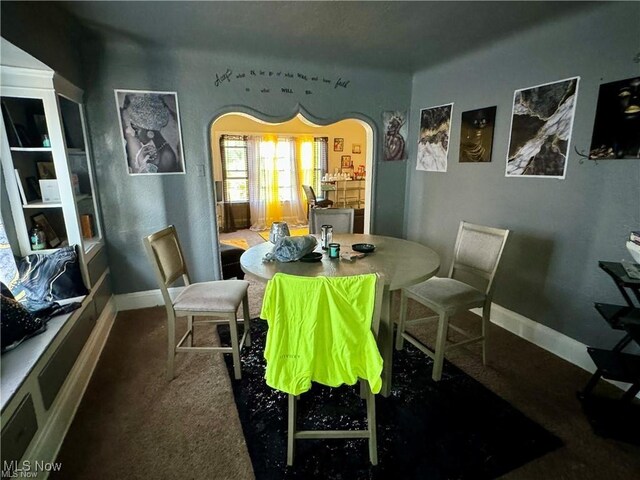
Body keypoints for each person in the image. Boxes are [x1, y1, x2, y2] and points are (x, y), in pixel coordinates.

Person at [121, 94, 181, 173]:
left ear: (149, 132)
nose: (135, 134)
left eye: (136, 129)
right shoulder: (157, 150)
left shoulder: (167, 156)